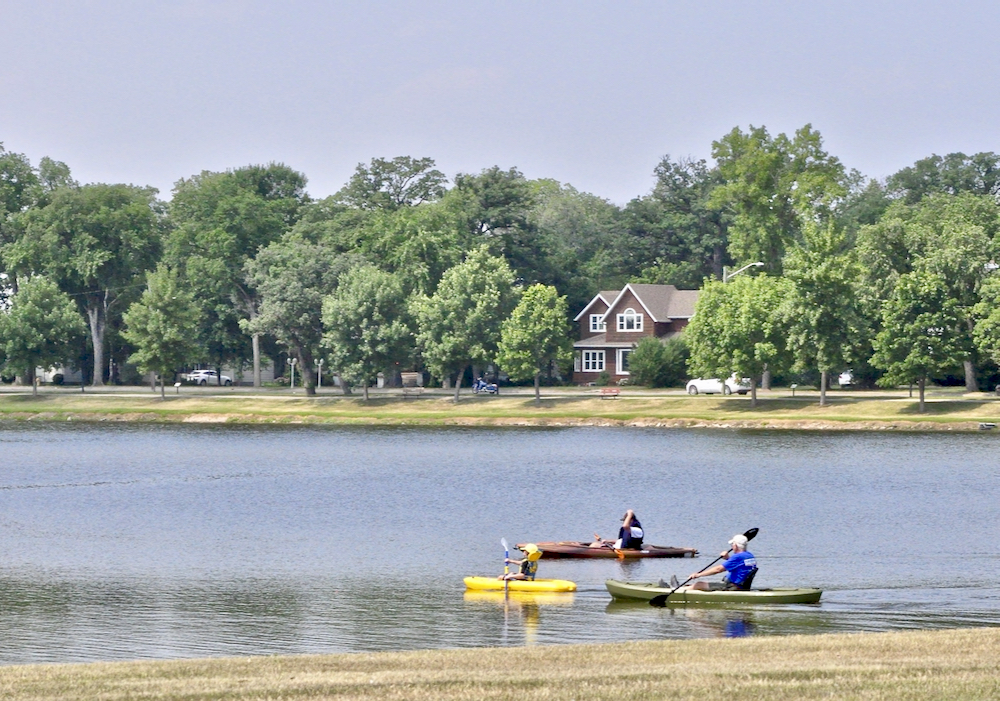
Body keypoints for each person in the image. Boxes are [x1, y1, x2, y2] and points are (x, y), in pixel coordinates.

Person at [688, 534, 757, 591]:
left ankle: (681, 592)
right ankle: (686, 588)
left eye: (732, 544)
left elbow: (718, 569)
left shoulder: (737, 557)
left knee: (699, 584)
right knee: (696, 585)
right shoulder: (749, 555)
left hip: (731, 587)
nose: (732, 546)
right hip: (740, 585)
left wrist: (698, 574)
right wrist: (728, 558)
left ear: (735, 545)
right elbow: (739, 566)